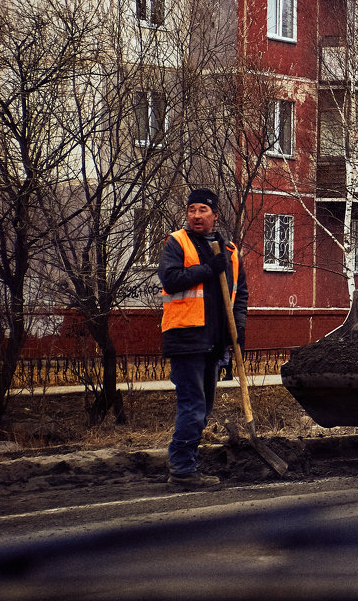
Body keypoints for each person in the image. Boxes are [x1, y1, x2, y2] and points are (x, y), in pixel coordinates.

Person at [158, 188, 247, 491]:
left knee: (203, 406)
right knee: (193, 405)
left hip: (214, 341)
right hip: (185, 337)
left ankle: (186, 463)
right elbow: (170, 279)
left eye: (202, 210)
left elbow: (240, 295)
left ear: (215, 215)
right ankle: (182, 469)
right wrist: (209, 269)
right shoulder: (176, 243)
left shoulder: (230, 251)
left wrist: (239, 332)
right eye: (191, 209)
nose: (196, 215)